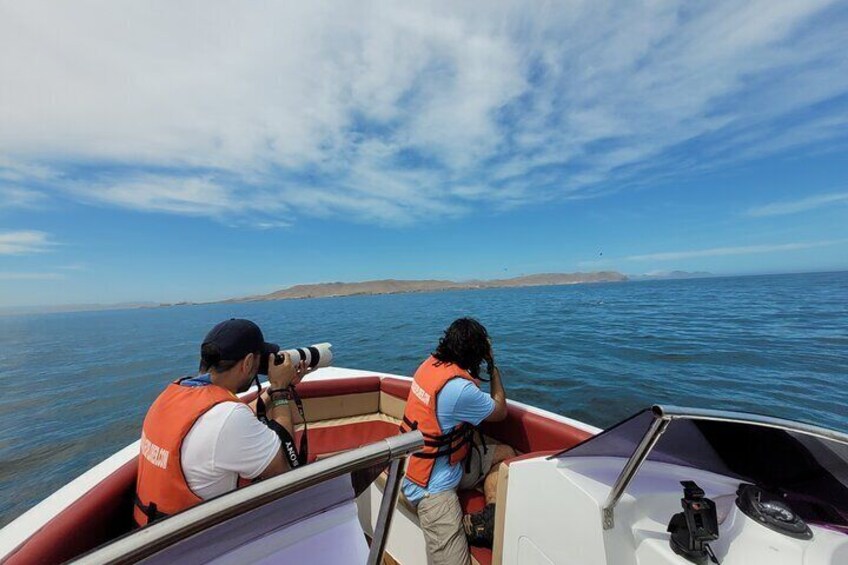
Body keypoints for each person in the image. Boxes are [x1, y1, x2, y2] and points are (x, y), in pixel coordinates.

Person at [134, 318, 308, 526]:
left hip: (153, 533)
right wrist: (280, 390)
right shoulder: (228, 418)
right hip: (196, 544)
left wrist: (274, 390)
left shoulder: (172, 394)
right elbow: (284, 468)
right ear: (247, 362)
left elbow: (222, 424)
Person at [400, 318, 516, 565]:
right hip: (431, 488)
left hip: (429, 463)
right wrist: (493, 366)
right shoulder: (460, 390)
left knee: (505, 454)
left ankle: (489, 519)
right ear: (477, 355)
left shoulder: (430, 365)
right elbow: (500, 410)